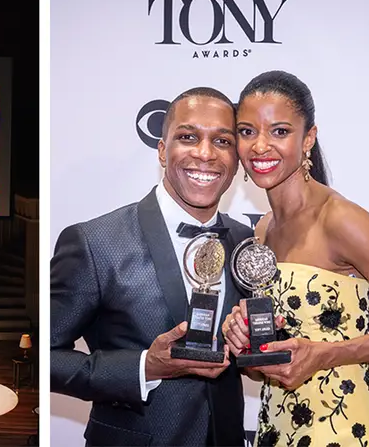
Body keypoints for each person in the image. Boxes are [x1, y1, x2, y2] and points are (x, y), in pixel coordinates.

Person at [51, 87, 254, 446]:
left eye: (222, 141)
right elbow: (47, 357)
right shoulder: (94, 242)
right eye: (187, 137)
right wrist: (144, 367)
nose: (205, 153)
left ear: (236, 159)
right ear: (162, 151)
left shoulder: (244, 241)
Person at [222, 70, 369, 446]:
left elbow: (315, 354)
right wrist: (246, 343)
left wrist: (330, 354)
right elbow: (268, 367)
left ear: (309, 139)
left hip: (346, 429)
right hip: (278, 430)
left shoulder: (340, 220)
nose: (260, 146)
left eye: (280, 131)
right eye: (247, 131)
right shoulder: (263, 230)